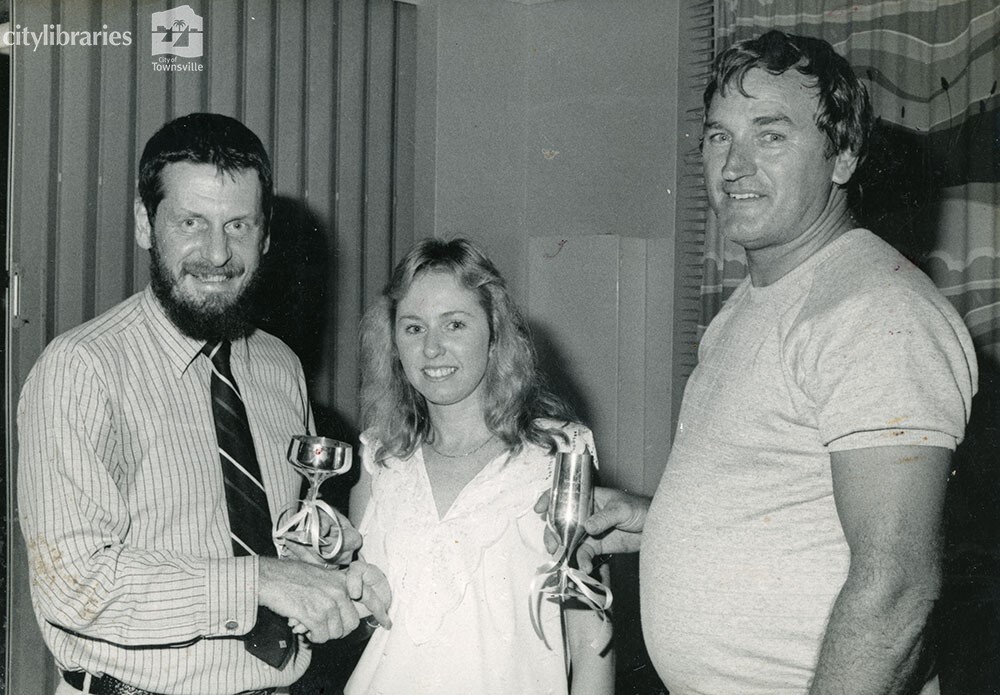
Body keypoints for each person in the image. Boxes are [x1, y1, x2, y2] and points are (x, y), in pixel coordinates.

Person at [559, 30, 978, 695]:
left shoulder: (877, 309)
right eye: (720, 136)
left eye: (771, 136)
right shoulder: (753, 304)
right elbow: (790, 498)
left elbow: (898, 586)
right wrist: (656, 517)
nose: (734, 166)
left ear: (842, 156)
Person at [17, 112, 390, 695]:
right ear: (145, 223)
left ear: (265, 235)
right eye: (192, 221)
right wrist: (259, 582)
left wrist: (326, 568)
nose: (217, 254)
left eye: (239, 225)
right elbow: (74, 584)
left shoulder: (278, 366)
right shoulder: (82, 370)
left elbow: (281, 539)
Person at [344, 238, 613, 695]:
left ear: (494, 335)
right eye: (413, 328)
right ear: (393, 344)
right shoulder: (379, 459)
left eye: (454, 324)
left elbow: (592, 642)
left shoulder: (560, 453)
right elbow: (370, 621)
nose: (432, 348)